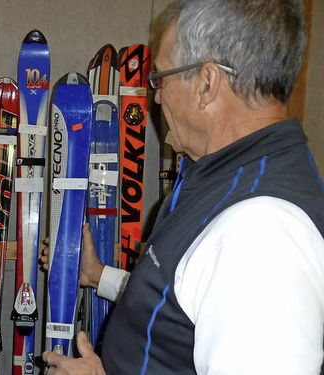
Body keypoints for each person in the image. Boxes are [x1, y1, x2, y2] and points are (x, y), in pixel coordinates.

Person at [42, 0, 324, 373]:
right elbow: (188, 300)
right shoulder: (222, 174)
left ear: (206, 84)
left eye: (160, 78)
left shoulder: (262, 234)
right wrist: (99, 276)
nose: (156, 96)